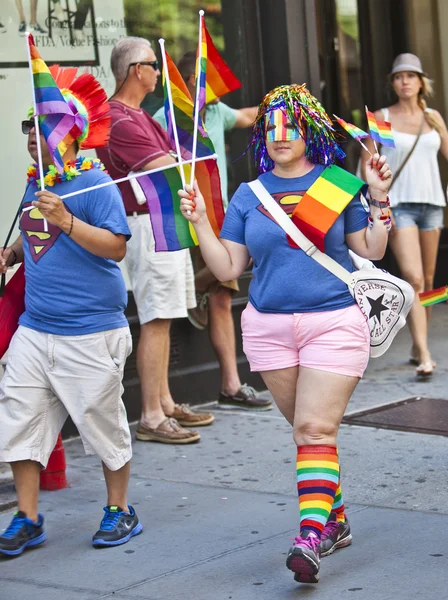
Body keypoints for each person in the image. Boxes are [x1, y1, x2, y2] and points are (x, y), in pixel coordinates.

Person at [179, 84, 392, 583]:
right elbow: (231, 263)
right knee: (307, 432)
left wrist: (379, 198)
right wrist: (201, 225)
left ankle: (309, 536)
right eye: (270, 126)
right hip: (269, 328)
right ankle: (334, 521)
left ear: (310, 130)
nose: (279, 134)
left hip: (334, 321)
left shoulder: (338, 183)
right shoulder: (248, 195)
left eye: (291, 124)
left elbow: (374, 249)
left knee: (314, 430)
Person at [0, 67, 142, 556]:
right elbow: (35, 234)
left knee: (102, 424)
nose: (32, 142)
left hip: (90, 330)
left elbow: (116, 248)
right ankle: (27, 517)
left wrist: (66, 219)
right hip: (35, 328)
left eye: (41, 132)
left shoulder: (96, 184)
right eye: (29, 133)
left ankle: (120, 509)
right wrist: (13, 254)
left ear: (70, 135)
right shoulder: (34, 183)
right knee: (20, 420)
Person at [97, 37, 214, 445]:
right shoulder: (120, 118)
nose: (159, 73)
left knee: (163, 317)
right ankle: (149, 414)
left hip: (160, 221)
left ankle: (163, 402)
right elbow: (166, 166)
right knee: (156, 319)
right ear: (135, 71)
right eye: (153, 64)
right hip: (147, 225)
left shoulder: (137, 114)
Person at [153, 51, 272, 411]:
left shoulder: (216, 112)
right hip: (183, 215)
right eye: (213, 81)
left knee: (223, 292)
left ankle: (231, 385)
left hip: (218, 214)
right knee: (169, 307)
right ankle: (165, 400)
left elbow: (251, 116)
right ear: (191, 82)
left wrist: (284, 103)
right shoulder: (165, 119)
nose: (220, 89)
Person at [362, 53, 448, 377]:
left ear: (421, 82)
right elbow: (366, 162)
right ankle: (425, 353)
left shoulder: (433, 116)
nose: (405, 82)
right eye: (399, 77)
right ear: (393, 83)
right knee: (412, 277)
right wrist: (378, 204)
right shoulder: (382, 117)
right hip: (398, 206)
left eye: (411, 76)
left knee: (427, 280)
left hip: (432, 205)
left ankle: (416, 344)